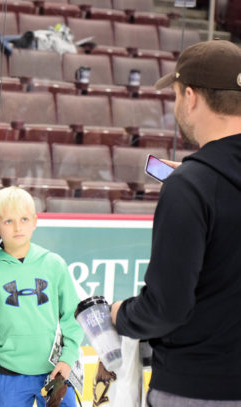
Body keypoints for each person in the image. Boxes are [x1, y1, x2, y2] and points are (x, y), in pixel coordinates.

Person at [109, 40, 241, 406]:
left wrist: (121, 315)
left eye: (177, 94)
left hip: (196, 388)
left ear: (191, 97)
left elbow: (166, 309)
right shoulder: (201, 181)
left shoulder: (191, 187)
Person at [0, 186, 83, 407]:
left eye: (24, 219)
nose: (17, 227)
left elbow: (73, 315)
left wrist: (68, 358)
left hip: (56, 372)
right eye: (8, 221)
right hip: (8, 375)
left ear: (34, 221)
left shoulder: (54, 264)